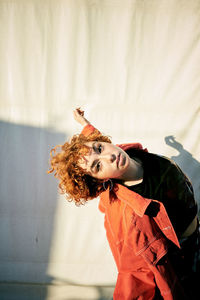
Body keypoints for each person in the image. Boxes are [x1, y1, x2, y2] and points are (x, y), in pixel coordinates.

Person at [48, 108, 200, 300]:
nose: (109, 157)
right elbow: (133, 273)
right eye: (97, 166)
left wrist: (84, 123)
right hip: (184, 256)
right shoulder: (132, 218)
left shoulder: (125, 155)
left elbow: (94, 143)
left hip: (196, 231)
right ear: (99, 181)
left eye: (99, 148)